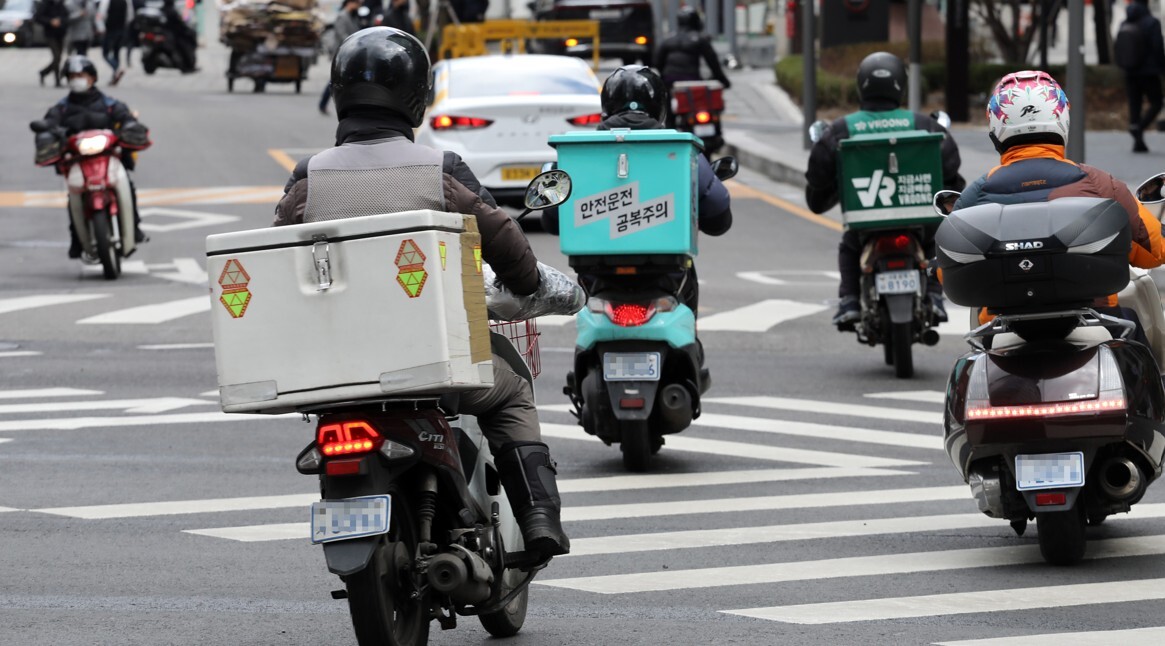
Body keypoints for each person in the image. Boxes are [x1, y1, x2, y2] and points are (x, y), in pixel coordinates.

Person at [274, 27, 572, 560]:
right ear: (417, 95)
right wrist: (529, 286)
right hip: (431, 362)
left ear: (340, 91)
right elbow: (501, 235)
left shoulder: (307, 178)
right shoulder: (440, 170)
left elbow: (274, 257)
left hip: (334, 369)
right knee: (509, 397)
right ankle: (539, 520)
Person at [953, 70, 1165, 330]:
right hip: (1094, 326)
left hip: (1002, 331)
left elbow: (949, 270)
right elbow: (1154, 252)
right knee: (1136, 334)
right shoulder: (1100, 184)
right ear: (1062, 116)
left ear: (996, 125)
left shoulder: (975, 196)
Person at [542, 65, 732, 318]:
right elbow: (718, 217)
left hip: (596, 277)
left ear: (607, 105)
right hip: (666, 276)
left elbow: (552, 221)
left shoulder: (578, 153)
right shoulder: (681, 152)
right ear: (660, 105)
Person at [805, 51, 965, 327]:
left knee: (850, 245)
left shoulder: (844, 128)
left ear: (861, 85)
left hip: (865, 222)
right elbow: (951, 166)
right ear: (900, 85)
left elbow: (818, 174)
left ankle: (850, 300)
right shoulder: (923, 124)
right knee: (934, 241)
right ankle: (936, 296)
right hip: (919, 221)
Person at [40, 56, 149, 258]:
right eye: (72, 76)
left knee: (128, 186)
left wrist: (130, 126)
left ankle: (135, 227)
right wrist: (48, 133)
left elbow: (125, 117)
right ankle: (76, 238)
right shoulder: (61, 108)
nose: (77, 79)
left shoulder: (109, 104)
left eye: (81, 75)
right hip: (78, 162)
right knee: (74, 196)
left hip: (108, 158)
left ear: (92, 78)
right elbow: (49, 124)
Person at [1116, 0, 1165, 152]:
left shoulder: (1125, 22)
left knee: (1134, 103)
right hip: (1149, 72)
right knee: (1157, 102)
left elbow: (1118, 45)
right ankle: (1139, 127)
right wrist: (1162, 68)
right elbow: (1158, 46)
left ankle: (1138, 140)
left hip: (1130, 70)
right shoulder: (1152, 22)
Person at [654, 6, 730, 100]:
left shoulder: (668, 40)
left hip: (669, 79)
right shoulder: (700, 39)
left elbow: (658, 62)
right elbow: (712, 61)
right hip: (692, 78)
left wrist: (663, 76)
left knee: (667, 108)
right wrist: (722, 79)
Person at [318, 0, 364, 115]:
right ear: (350, 3)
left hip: (351, 53)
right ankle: (323, 103)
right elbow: (342, 34)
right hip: (342, 54)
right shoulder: (342, 16)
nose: (358, 6)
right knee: (335, 80)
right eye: (357, 3)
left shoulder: (353, 16)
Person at [96, 0, 134, 85]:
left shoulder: (106, 1)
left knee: (105, 54)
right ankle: (115, 75)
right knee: (116, 53)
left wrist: (101, 28)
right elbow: (130, 17)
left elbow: (101, 15)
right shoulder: (127, 1)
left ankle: (116, 69)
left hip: (110, 30)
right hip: (121, 30)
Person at [34, 0, 70, 87]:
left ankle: (44, 72)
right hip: (50, 34)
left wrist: (60, 21)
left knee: (58, 58)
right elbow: (38, 17)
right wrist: (50, 21)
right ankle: (57, 80)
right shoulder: (45, 4)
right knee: (56, 56)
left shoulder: (61, 4)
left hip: (60, 33)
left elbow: (67, 17)